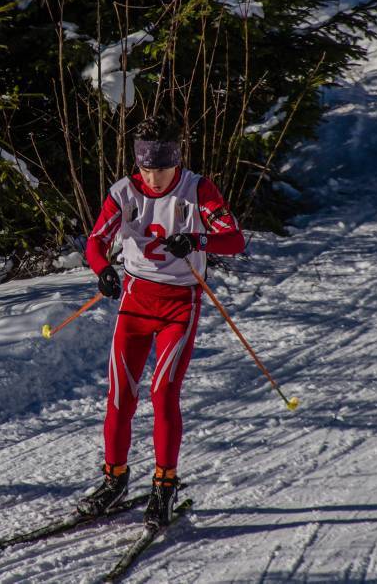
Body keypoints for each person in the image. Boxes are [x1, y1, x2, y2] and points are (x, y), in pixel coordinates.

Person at [79, 113, 246, 527]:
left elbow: (235, 239)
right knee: (120, 396)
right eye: (145, 169)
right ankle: (114, 478)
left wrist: (196, 239)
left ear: (177, 160)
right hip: (135, 301)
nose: (153, 179)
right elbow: (96, 241)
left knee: (163, 392)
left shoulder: (197, 189)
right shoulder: (124, 192)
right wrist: (103, 270)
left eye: (161, 169)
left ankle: (164, 485)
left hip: (179, 304)